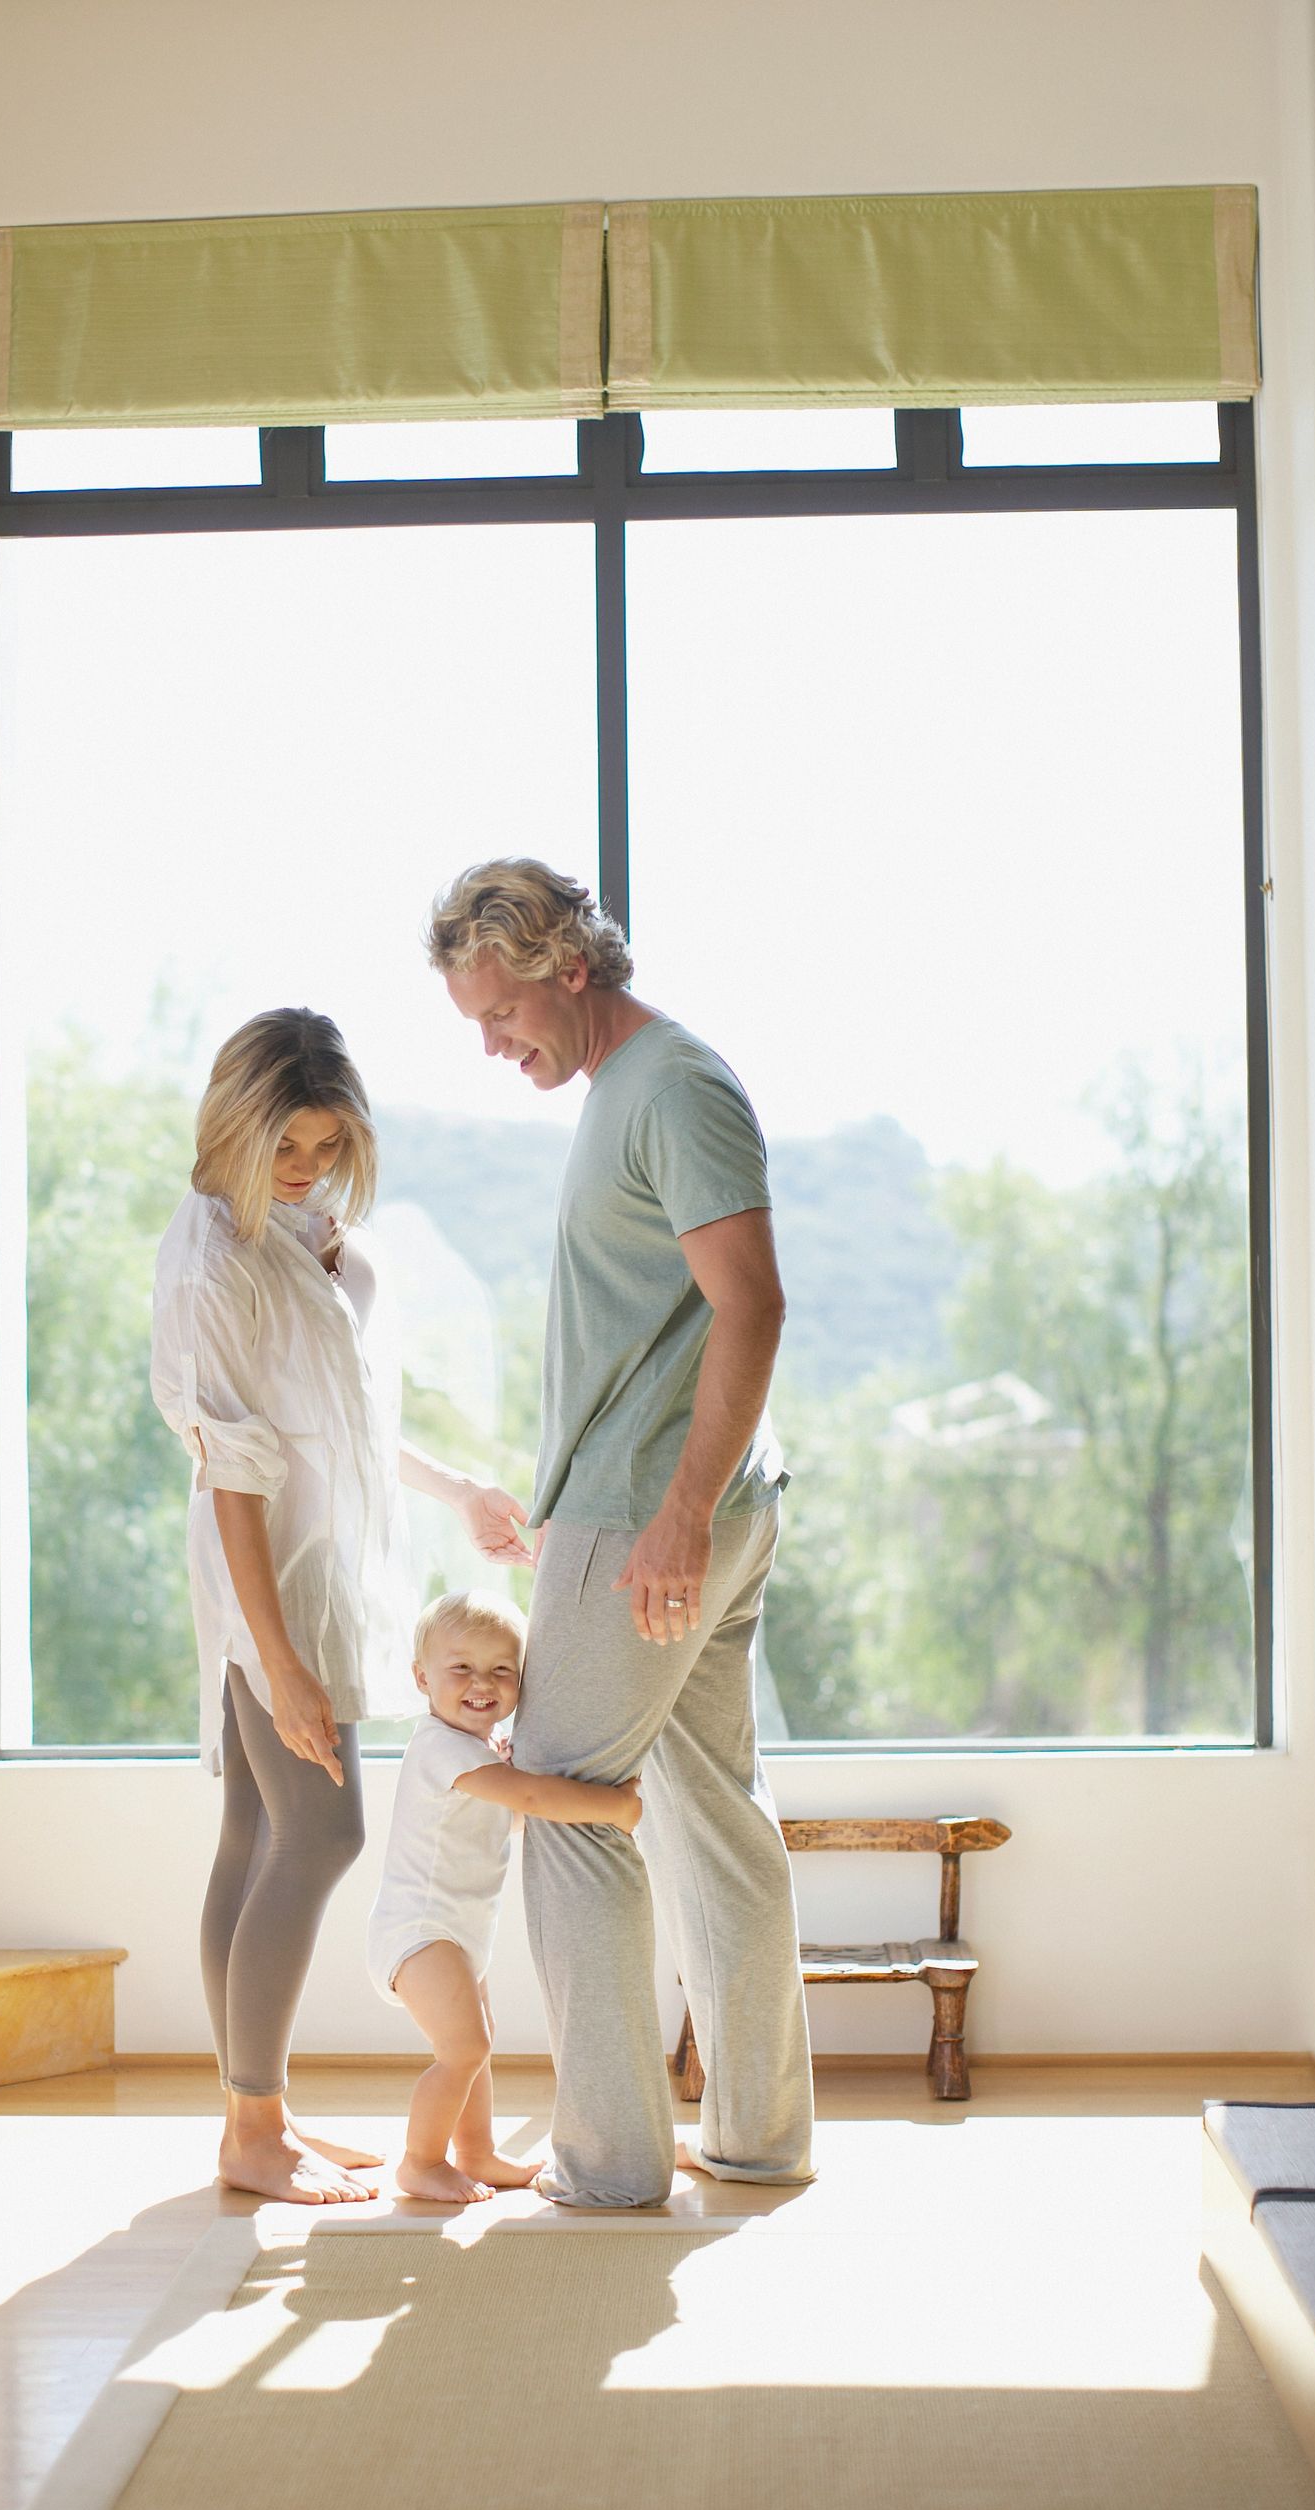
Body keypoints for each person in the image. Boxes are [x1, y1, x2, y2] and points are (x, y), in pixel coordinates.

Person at [426, 859, 815, 2210]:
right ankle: (758, 2137)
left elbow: (753, 1305)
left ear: (571, 967)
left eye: (502, 1011)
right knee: (713, 1813)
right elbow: (651, 1332)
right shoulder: (624, 1091)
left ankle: (608, 2162)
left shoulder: (674, 1086)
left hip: (662, 1517)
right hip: (661, 1507)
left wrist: (673, 1518)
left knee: (567, 1806)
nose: (492, 1044)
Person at [150, 1008, 530, 2207]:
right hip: (271, 1581)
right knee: (321, 1835)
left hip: (324, 1571)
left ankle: (254, 2114)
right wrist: (279, 1661)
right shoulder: (215, 1265)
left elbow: (351, 1428)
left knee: (257, 1835)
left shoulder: (316, 1239)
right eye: (286, 1146)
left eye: (327, 1146)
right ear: (234, 1126)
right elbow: (235, 1478)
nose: (308, 1169)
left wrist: (459, 1489)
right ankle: (253, 2131)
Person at [366, 1588, 643, 2203]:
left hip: (457, 1930)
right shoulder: (441, 1748)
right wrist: (614, 1806)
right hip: (420, 1930)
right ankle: (420, 2162)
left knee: (477, 2044)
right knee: (463, 2048)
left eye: (501, 1670)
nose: (481, 1683)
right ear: (421, 1678)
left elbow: (510, 1817)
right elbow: (534, 1799)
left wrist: (512, 1776)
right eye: (461, 1668)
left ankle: (476, 2154)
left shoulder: (478, 1753)